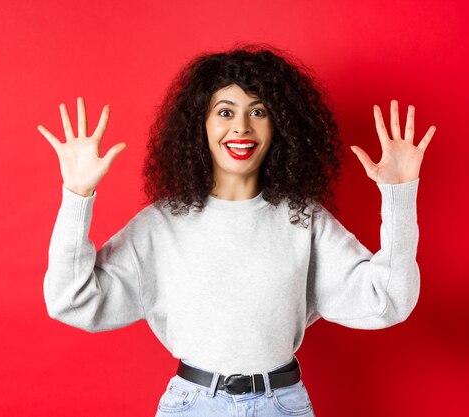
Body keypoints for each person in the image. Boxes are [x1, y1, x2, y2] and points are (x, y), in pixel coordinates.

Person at [37, 44, 436, 417]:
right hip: (192, 406)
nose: (241, 127)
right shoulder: (161, 225)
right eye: (225, 112)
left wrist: (399, 196)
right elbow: (70, 301)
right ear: (201, 125)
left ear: (279, 126)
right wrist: (77, 194)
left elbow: (388, 300)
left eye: (258, 112)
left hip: (282, 404)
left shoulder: (302, 220)